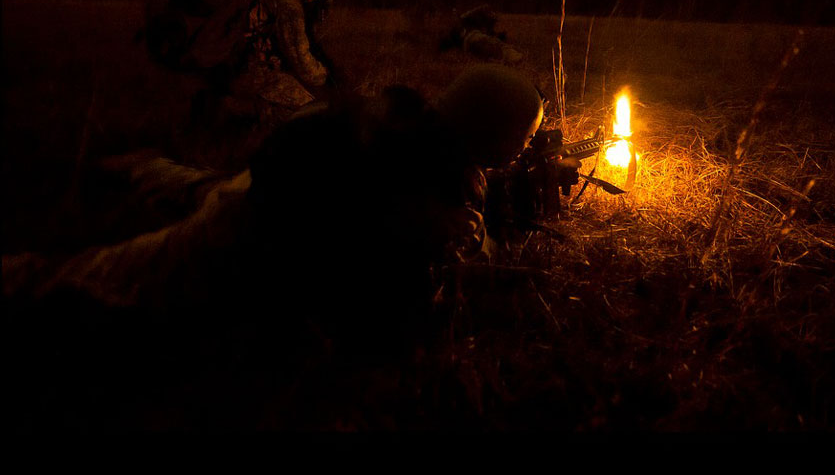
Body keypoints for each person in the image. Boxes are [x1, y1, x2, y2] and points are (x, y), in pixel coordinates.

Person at [4, 65, 544, 354]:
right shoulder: (429, 200)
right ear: (495, 142)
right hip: (240, 237)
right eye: (524, 140)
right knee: (85, 283)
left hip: (251, 194)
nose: (525, 150)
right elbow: (408, 307)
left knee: (200, 185)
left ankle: (144, 167)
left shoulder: (411, 126)